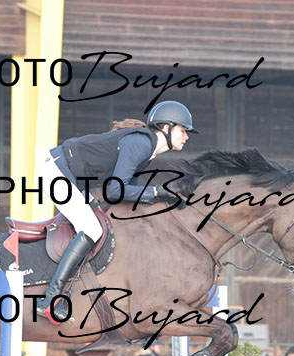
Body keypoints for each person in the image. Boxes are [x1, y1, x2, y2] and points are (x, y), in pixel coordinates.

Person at [35, 101, 200, 322]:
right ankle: (51, 297)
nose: (186, 136)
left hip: (70, 176)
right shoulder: (141, 144)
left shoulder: (147, 150)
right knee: (92, 229)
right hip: (56, 172)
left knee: (107, 223)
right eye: (183, 130)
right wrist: (157, 191)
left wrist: (162, 198)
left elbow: (124, 197)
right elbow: (116, 190)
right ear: (166, 127)